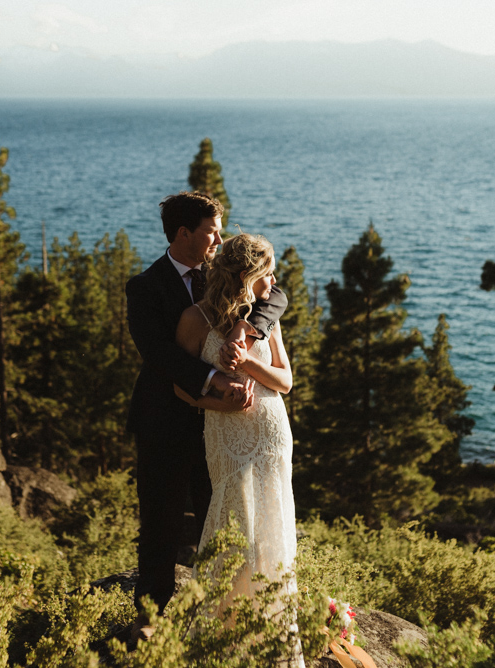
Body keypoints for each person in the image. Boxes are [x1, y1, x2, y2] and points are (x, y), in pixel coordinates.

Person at [125, 192, 287, 632]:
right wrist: (215, 380)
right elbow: (160, 355)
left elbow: (277, 292)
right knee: (162, 518)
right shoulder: (145, 287)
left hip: (221, 428)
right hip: (166, 420)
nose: (219, 236)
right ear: (183, 233)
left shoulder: (221, 271)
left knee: (223, 516)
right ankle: (152, 618)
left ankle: (220, 610)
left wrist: (248, 326)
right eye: (211, 229)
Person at [174, 233, 302, 660]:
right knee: (234, 528)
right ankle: (222, 638)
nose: (275, 280)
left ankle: (269, 637)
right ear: (247, 275)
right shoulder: (194, 320)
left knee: (270, 529)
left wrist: (245, 360)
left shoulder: (263, 317)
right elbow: (182, 389)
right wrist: (220, 401)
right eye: (267, 272)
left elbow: (284, 381)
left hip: (270, 433)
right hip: (225, 433)